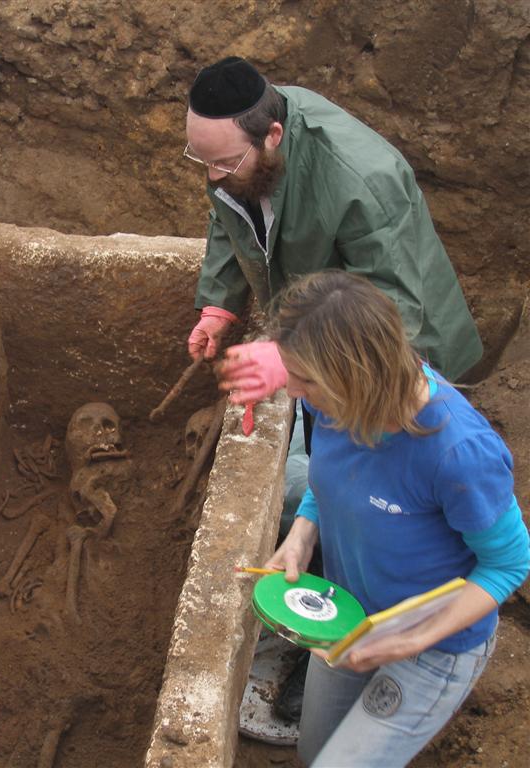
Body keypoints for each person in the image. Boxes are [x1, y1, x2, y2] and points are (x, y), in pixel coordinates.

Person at [263, 271, 529, 767]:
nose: (293, 392)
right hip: (349, 618)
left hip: (435, 647)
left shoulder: (459, 452)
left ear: (354, 374)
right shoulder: (336, 407)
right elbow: (332, 483)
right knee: (314, 752)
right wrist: (302, 533)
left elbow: (509, 564)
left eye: (304, 379)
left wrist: (409, 641)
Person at [182, 55, 482, 401]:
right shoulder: (242, 137)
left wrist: (291, 355)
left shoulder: (362, 182)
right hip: (325, 342)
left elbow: (388, 308)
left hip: (407, 361)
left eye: (224, 163)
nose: (213, 175)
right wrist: (219, 303)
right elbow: (233, 213)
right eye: (203, 159)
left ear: (272, 135)